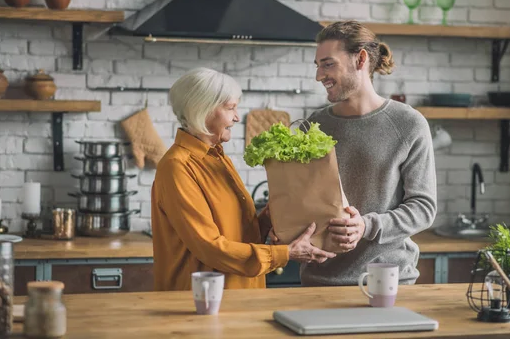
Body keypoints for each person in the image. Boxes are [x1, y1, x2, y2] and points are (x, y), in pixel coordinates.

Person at [151, 68, 335, 291]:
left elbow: (240, 233)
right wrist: (285, 254)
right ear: (202, 110)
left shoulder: (217, 158)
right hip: (201, 302)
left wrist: (272, 215)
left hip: (240, 295)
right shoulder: (177, 166)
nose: (237, 117)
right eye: (230, 108)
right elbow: (210, 248)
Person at [302, 20, 437, 286]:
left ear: (360, 59)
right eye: (317, 66)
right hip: (319, 282)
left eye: (328, 64)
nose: (319, 76)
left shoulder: (408, 124)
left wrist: (366, 226)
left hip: (386, 281)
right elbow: (304, 200)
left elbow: (423, 208)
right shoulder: (313, 125)